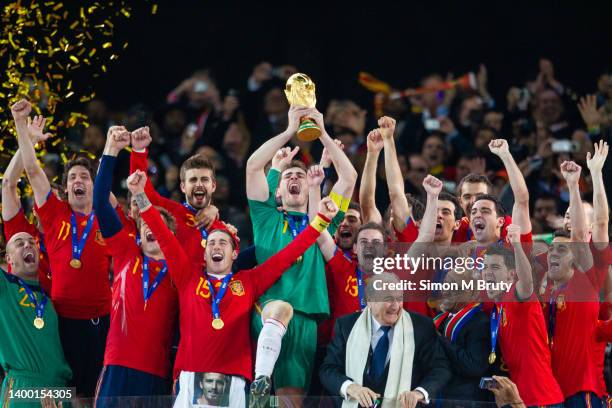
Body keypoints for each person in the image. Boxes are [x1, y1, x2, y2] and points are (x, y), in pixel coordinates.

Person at [128, 169, 339, 408]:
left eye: (223, 243)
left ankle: (262, 377)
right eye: (212, 243)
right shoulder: (188, 276)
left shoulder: (248, 281)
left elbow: (287, 255)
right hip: (190, 374)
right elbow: (164, 235)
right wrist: (140, 195)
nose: (217, 247)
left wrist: (321, 221)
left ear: (235, 252)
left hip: (234, 379)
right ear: (205, 253)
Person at [245, 105, 357, 405]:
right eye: (288, 176)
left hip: (308, 319)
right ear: (278, 192)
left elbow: (349, 177)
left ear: (310, 188)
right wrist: (289, 131)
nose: (295, 177)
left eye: (301, 175)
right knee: (278, 310)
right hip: (267, 310)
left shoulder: (324, 221)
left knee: (291, 400)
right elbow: (253, 166)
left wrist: (322, 132)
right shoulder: (266, 218)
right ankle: (260, 377)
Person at [11, 99, 112, 397]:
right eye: (72, 178)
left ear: (94, 185)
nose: (78, 180)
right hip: (64, 320)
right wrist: (20, 125)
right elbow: (31, 169)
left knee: (97, 394)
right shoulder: (55, 214)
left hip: (102, 321)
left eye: (84, 177)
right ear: (66, 188)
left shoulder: (108, 218)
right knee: (67, 394)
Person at [92, 127, 179, 404]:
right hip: (117, 363)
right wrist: (111, 151)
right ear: (138, 234)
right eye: (146, 225)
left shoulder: (180, 271)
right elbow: (100, 203)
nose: (151, 229)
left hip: (156, 371)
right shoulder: (126, 253)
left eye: (160, 226)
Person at [319, 272, 451, 408]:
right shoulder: (347, 325)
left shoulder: (421, 326)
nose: (395, 306)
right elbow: (328, 369)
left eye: (399, 299)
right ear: (369, 301)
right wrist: (351, 388)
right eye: (388, 299)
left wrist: (419, 393)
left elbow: (440, 369)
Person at [541, 157, 609, 407]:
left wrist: (581, 180)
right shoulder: (550, 276)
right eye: (568, 214)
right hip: (551, 388)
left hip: (582, 388)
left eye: (576, 213)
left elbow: (597, 225)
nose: (570, 220)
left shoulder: (588, 271)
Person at [482, 225, 564, 407]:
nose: (487, 272)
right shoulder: (497, 307)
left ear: (512, 275)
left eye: (495, 267)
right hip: (521, 400)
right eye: (485, 267)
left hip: (542, 399)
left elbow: (526, 282)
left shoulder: (515, 295)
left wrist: (517, 245)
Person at [129, 126, 225, 266]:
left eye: (204, 179)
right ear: (183, 187)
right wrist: (138, 150)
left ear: (214, 186)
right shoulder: (171, 213)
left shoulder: (223, 229)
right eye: (193, 180)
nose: (199, 185)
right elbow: (142, 190)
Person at [0, 232, 72, 407]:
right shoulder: (5, 288)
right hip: (23, 388)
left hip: (60, 390)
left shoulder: (49, 300)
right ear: (9, 259)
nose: (27, 245)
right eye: (19, 243)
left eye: (32, 242)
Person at [1, 114, 52, 293]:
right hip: (19, 312)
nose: (48, 205)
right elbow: (8, 185)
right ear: (35, 208)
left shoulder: (70, 237)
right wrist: (28, 141)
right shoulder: (23, 236)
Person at [434, 271, 490, 402]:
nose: (446, 291)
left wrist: (440, 339)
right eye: (445, 286)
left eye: (454, 287)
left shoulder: (480, 322)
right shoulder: (441, 320)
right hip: (440, 397)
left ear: (472, 292)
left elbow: (474, 366)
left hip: (465, 401)